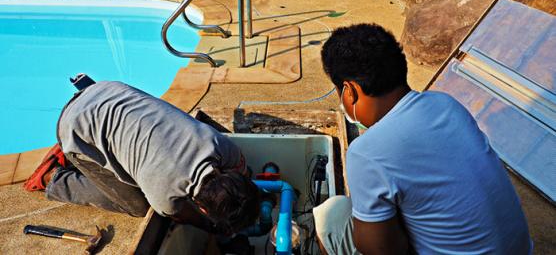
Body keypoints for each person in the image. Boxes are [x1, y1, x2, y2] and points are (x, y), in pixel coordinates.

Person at [313, 24, 532, 254]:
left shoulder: (366, 152)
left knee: (333, 216)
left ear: (350, 91)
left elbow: (382, 251)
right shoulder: (446, 104)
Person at [24, 80, 260, 235]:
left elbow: (245, 174)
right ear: (204, 210)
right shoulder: (164, 198)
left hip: (106, 90)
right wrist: (216, 230)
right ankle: (53, 176)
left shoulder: (224, 147)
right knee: (137, 205)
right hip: (73, 126)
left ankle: (83, 141)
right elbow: (182, 216)